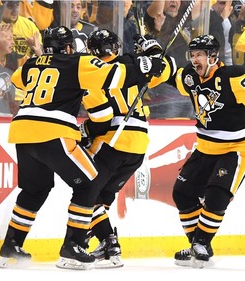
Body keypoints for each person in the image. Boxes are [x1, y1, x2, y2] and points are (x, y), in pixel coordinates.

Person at [0, 25, 166, 270]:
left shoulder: (31, 64)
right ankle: (73, 246)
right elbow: (113, 77)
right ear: (68, 47)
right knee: (89, 182)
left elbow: (18, 80)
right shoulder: (78, 62)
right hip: (53, 131)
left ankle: (11, 244)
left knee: (36, 189)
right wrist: (144, 67)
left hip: (22, 132)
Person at [163, 34, 245, 268]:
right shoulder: (192, 76)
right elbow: (171, 75)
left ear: (213, 56)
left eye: (199, 55)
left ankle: (201, 242)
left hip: (235, 150)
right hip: (204, 148)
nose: (194, 60)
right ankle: (197, 244)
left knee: (216, 195)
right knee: (182, 193)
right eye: (192, 55)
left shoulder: (234, 76)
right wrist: (151, 56)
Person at [80, 29, 174, 268]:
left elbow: (101, 119)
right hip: (139, 145)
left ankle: (109, 243)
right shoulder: (133, 65)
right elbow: (167, 66)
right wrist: (151, 48)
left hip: (113, 140)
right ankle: (100, 235)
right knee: (104, 195)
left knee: (86, 194)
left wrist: (85, 132)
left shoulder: (94, 72)